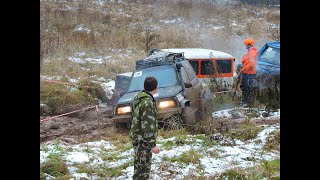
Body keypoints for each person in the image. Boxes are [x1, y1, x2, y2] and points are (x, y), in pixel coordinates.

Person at [129, 76, 160, 180]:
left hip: (138, 139)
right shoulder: (147, 103)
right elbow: (147, 126)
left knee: (140, 169)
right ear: (156, 88)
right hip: (143, 142)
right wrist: (152, 145)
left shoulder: (138, 98)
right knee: (142, 172)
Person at [240, 38, 258, 107]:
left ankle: (247, 104)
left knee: (247, 88)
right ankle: (244, 102)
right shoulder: (250, 51)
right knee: (244, 87)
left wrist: (243, 69)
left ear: (249, 45)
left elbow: (251, 64)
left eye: (246, 45)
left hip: (249, 73)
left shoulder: (252, 52)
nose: (245, 47)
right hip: (246, 72)